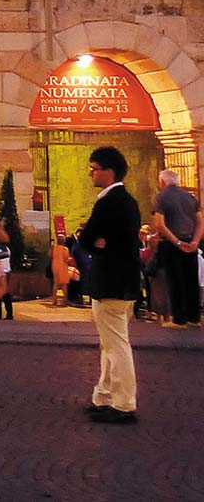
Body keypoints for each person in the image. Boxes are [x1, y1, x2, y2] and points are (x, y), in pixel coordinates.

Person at [82, 145, 143, 424]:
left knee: (116, 345)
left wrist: (94, 240)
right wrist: (96, 240)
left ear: (110, 171)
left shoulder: (110, 202)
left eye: (94, 168)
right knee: (110, 344)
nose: (91, 173)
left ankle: (123, 402)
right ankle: (104, 395)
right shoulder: (126, 201)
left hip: (112, 282)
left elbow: (87, 236)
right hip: (120, 281)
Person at [151, 168, 202, 329]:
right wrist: (194, 241)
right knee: (191, 279)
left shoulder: (161, 197)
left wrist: (177, 242)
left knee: (175, 280)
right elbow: (200, 222)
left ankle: (178, 319)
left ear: (163, 182)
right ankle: (194, 317)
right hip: (191, 242)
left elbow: (160, 223)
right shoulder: (191, 197)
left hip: (172, 244)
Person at [50, 236, 76, 308]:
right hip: (63, 267)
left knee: (55, 283)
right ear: (63, 241)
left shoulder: (53, 248)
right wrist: (71, 259)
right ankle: (65, 300)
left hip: (54, 266)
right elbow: (66, 259)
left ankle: (54, 300)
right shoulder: (65, 249)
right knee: (64, 284)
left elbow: (50, 256)